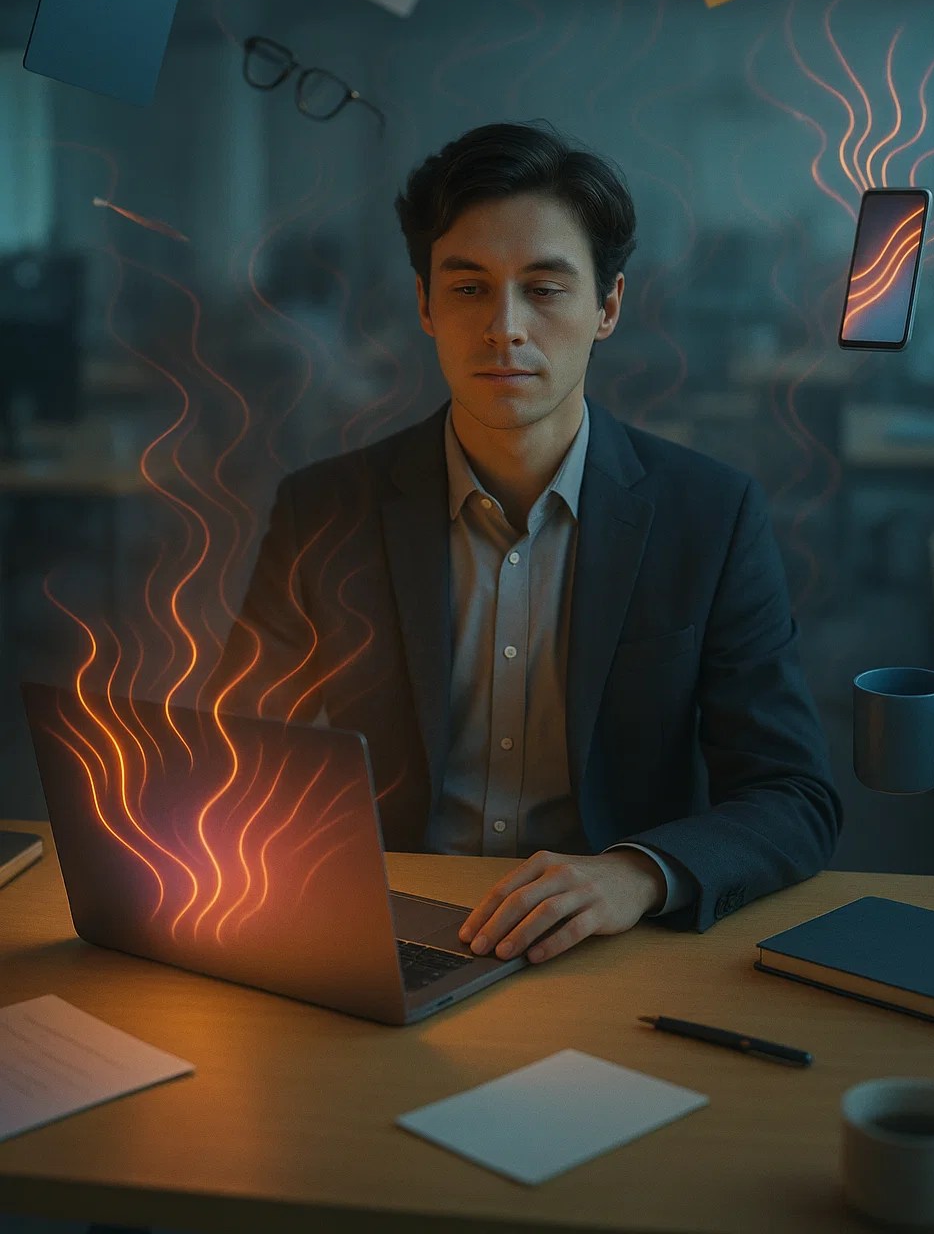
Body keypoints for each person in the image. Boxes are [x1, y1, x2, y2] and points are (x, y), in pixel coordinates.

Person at [211, 121, 843, 967]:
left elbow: (792, 794)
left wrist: (637, 874)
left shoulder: (709, 515)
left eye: (545, 289)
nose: (504, 328)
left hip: (609, 944)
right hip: (388, 929)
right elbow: (231, 755)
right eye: (469, 289)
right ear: (426, 307)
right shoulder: (324, 508)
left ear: (606, 307)